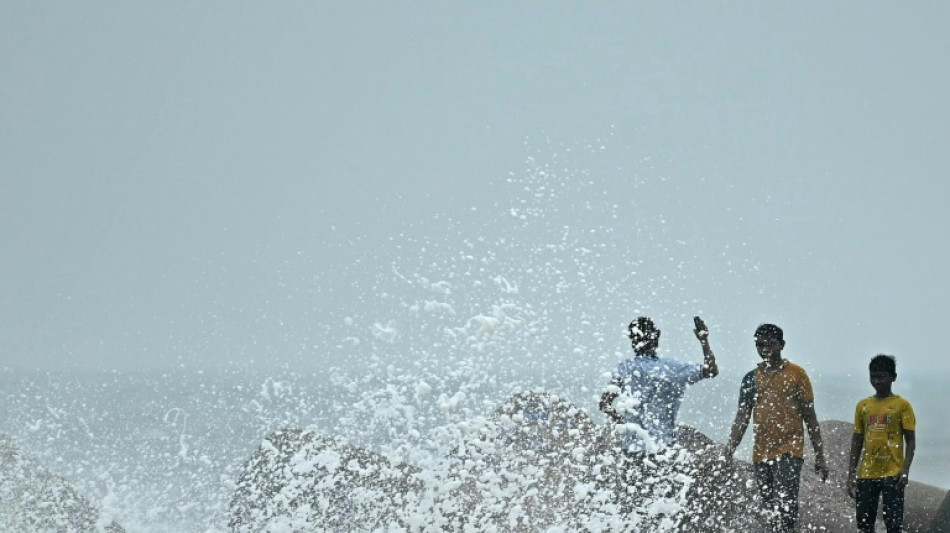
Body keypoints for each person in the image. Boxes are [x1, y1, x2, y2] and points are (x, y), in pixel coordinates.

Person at [723, 323, 829, 533]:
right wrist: (729, 449)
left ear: (782, 344)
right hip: (761, 453)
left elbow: (810, 417)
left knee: (787, 503)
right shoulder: (750, 379)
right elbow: (742, 418)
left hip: (790, 450)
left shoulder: (797, 374)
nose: (764, 347)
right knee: (769, 508)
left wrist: (820, 455)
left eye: (770, 342)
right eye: (759, 343)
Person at [600, 315, 719, 453]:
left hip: (632, 449)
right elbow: (711, 370)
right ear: (655, 338)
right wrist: (704, 341)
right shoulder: (671, 369)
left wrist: (623, 423)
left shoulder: (624, 368)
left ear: (633, 342)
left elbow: (604, 404)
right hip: (663, 448)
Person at [846, 354, 916, 533]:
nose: (877, 381)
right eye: (873, 377)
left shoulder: (902, 405)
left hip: (892, 473)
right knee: (864, 523)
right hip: (867, 473)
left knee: (893, 524)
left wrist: (905, 470)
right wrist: (851, 473)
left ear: (893, 377)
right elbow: (857, 439)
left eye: (882, 376)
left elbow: (910, 440)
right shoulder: (863, 406)